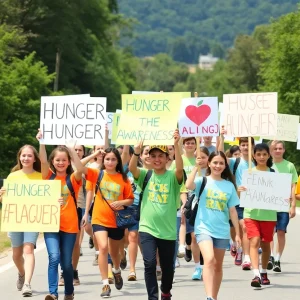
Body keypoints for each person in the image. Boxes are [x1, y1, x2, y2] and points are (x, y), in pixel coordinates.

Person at [129, 129, 184, 300]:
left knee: (168, 268)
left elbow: (180, 169)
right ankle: (152, 297)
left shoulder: (173, 177)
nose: (157, 159)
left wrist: (176, 144)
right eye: (153, 156)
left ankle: (166, 292)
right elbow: (131, 168)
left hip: (167, 231)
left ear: (168, 158)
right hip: (147, 228)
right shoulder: (145, 175)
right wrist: (136, 151)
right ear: (148, 159)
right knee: (149, 264)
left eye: (161, 155)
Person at [186, 151, 241, 300]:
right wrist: (196, 167)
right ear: (209, 163)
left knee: (217, 266)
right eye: (215, 162)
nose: (218, 166)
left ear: (225, 166)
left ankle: (214, 297)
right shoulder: (201, 181)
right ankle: (209, 296)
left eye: (221, 163)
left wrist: (237, 233)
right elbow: (188, 185)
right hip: (203, 227)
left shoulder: (229, 186)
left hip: (222, 230)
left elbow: (233, 211)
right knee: (209, 259)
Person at [37, 130, 84, 300]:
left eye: (64, 160)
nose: (61, 162)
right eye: (57, 160)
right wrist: (42, 142)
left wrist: (71, 150)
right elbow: (42, 159)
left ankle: (69, 292)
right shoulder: (48, 177)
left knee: (66, 263)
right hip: (51, 224)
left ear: (68, 161)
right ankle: (53, 293)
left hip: (70, 227)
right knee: (54, 258)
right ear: (53, 162)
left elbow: (81, 168)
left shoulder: (73, 179)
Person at [81, 148, 134, 298]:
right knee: (103, 247)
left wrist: (121, 202)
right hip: (99, 219)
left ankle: (116, 270)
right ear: (103, 161)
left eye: (113, 159)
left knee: (115, 253)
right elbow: (78, 166)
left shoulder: (123, 179)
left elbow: (130, 199)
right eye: (107, 159)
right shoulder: (97, 174)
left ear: (118, 162)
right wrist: (94, 155)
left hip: (116, 220)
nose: (110, 162)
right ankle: (105, 283)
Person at [0, 145, 42, 297]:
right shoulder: (13, 176)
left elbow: (46, 197)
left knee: (28, 249)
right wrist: (2, 194)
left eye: (29, 156)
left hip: (33, 219)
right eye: (23, 155)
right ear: (19, 157)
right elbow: (5, 201)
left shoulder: (40, 177)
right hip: (15, 219)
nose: (26, 158)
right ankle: (22, 273)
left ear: (34, 158)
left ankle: (27, 284)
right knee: (16, 255)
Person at [239, 143, 278, 288]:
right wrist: (240, 190)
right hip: (251, 214)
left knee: (266, 244)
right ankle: (256, 274)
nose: (261, 157)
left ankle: (263, 271)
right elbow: (240, 195)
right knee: (254, 241)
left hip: (268, 216)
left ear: (269, 155)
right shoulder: (249, 173)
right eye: (258, 154)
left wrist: (285, 199)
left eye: (264, 154)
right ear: (254, 156)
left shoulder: (274, 174)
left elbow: (279, 195)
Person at [219, 130, 254, 270]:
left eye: (248, 144)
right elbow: (221, 156)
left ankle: (246, 257)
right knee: (235, 228)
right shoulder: (235, 161)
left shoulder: (257, 161)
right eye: (243, 145)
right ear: (240, 147)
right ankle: (236, 245)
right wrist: (221, 137)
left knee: (245, 227)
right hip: (237, 200)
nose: (245, 147)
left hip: (252, 201)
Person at [268, 140, 297, 272]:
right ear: (271, 150)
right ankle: (271, 257)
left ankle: (278, 259)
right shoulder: (267, 165)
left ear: (284, 150)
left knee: (281, 232)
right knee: (269, 233)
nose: (278, 151)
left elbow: (293, 185)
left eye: (280, 148)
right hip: (268, 206)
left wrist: (292, 206)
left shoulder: (290, 166)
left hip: (283, 206)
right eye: (275, 148)